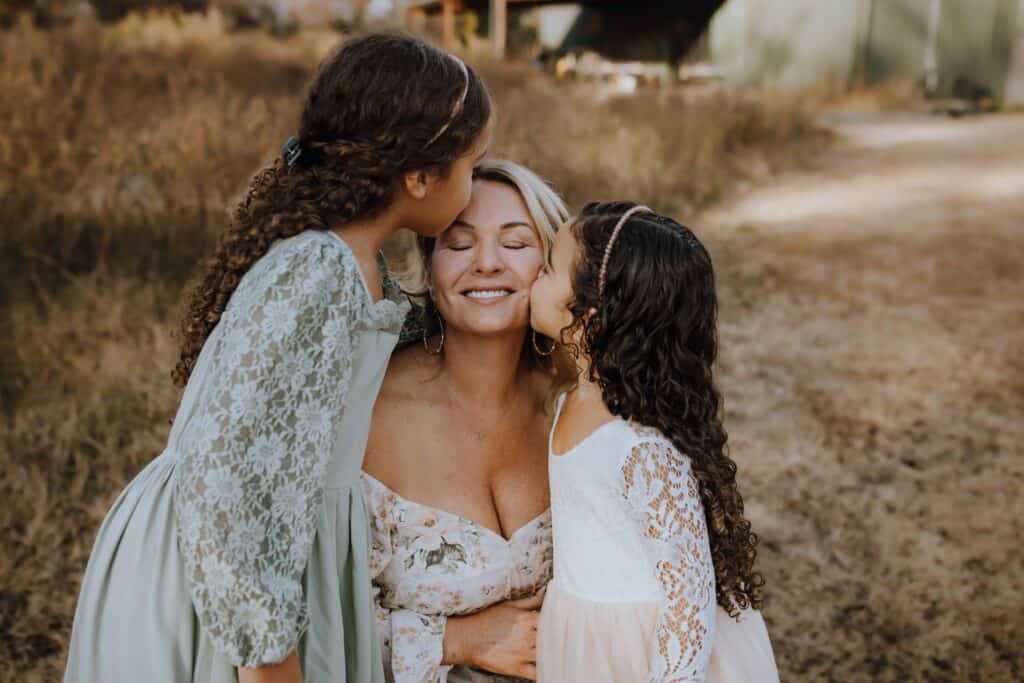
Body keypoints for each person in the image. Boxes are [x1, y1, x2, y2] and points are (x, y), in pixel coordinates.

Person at [64, 34, 492, 683]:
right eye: (471, 165)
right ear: (419, 175)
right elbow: (227, 476)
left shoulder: (354, 266)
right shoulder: (318, 272)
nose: (475, 184)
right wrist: (267, 658)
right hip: (217, 581)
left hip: (264, 559)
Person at [529, 202, 778, 682]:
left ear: (586, 318)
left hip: (643, 651)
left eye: (547, 269)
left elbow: (688, 595)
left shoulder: (637, 447)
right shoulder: (569, 400)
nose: (533, 277)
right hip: (585, 636)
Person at [361, 159, 571, 682]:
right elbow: (313, 615)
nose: (487, 264)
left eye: (515, 244)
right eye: (458, 245)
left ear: (553, 269)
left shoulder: (579, 399)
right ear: (429, 272)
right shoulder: (366, 412)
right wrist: (454, 641)